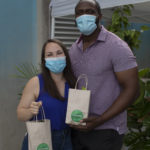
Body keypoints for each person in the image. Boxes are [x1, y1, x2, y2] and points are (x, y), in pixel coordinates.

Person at [69, 0, 139, 150]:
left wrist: (100, 120)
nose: (84, 16)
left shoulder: (116, 47)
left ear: (99, 16)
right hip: (78, 127)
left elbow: (132, 90)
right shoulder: (74, 48)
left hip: (106, 130)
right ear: (75, 18)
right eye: (80, 13)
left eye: (90, 11)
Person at [17, 39, 76, 150]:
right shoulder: (35, 82)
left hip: (67, 139)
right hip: (40, 140)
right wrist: (30, 111)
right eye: (50, 55)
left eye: (59, 53)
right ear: (44, 61)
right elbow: (20, 114)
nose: (55, 58)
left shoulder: (72, 82)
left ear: (66, 56)